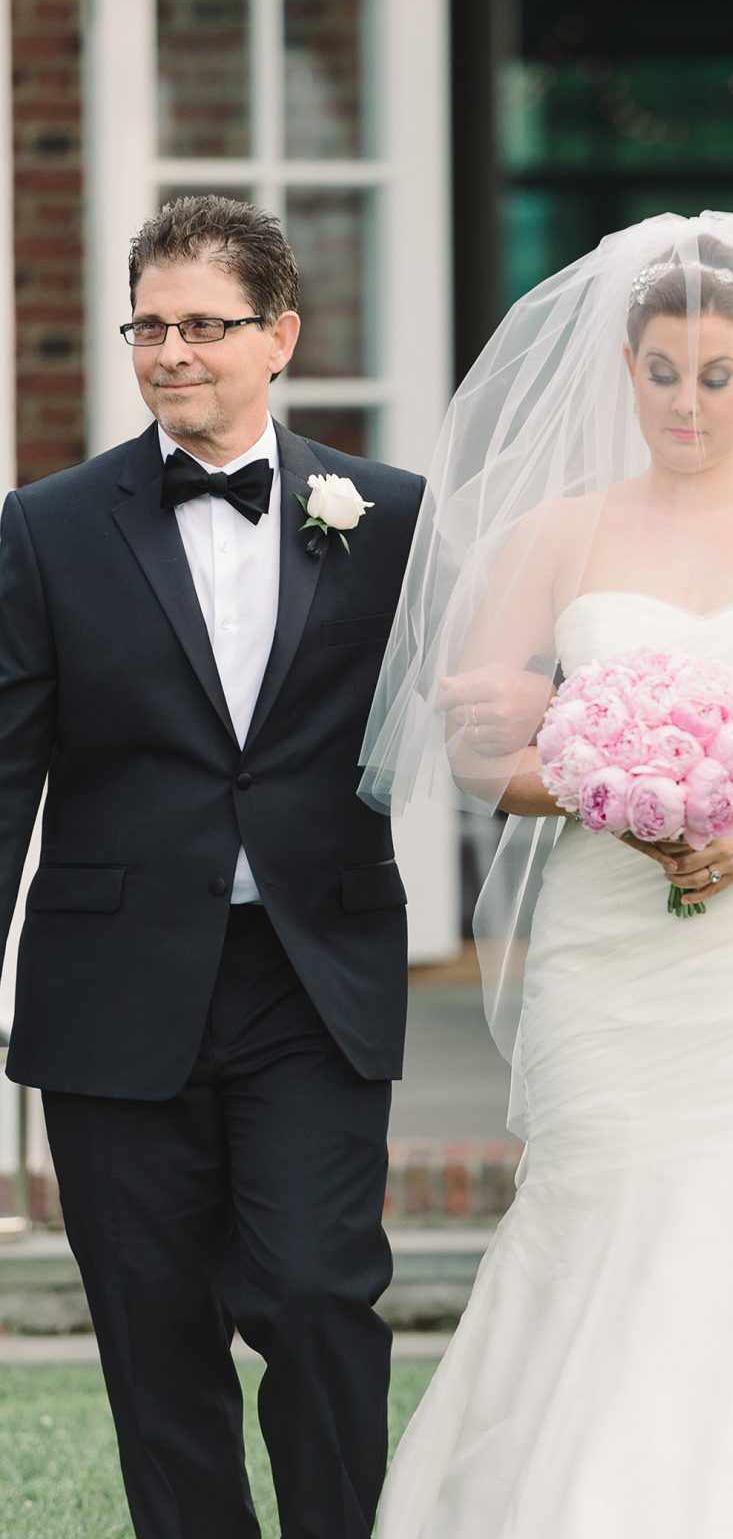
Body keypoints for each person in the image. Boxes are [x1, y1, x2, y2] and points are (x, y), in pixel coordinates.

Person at [359, 212, 733, 1538]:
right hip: (610, 932)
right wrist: (608, 787)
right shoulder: (557, 536)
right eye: (662, 374)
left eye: (714, 376)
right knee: (607, 1194)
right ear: (623, 371)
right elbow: (486, 759)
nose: (686, 403)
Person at [0, 196, 425, 1539]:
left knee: (313, 1296)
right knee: (151, 1330)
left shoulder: (391, 519)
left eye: (205, 325)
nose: (173, 351)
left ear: (280, 334)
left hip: (313, 978)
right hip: (113, 989)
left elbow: (463, 715)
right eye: (151, 325)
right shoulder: (45, 528)